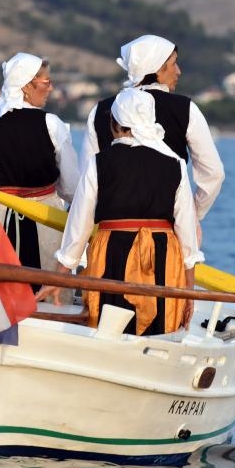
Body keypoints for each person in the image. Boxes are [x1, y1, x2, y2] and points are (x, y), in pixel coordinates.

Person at [36, 88, 204, 335]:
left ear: (115, 124)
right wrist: (188, 290)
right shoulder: (175, 165)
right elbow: (186, 231)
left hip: (112, 252)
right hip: (162, 254)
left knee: (108, 326)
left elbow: (79, 224)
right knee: (159, 327)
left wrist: (60, 276)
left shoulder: (98, 162)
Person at [80, 34, 224, 246]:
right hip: (168, 235)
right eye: (173, 64)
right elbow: (213, 174)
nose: (179, 71)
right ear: (157, 68)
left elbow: (84, 179)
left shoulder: (100, 110)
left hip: (108, 236)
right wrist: (191, 214)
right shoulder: (185, 110)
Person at [0, 52, 79, 298]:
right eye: (46, 82)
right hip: (44, 220)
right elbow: (71, 186)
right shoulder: (51, 124)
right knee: (47, 295)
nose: (50, 88)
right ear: (28, 85)